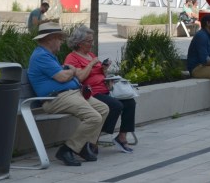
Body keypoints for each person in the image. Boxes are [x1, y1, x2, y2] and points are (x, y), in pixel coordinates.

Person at [27, 23, 109, 166]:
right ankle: (67, 149)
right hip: (55, 98)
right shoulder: (41, 56)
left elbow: (66, 74)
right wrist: (71, 71)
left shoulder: (49, 55)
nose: (61, 42)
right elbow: (63, 77)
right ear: (49, 39)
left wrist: (69, 71)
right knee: (94, 117)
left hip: (70, 94)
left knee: (103, 109)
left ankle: (82, 146)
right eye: (59, 38)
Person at [64, 26, 136, 154]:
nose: (92, 44)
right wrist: (91, 64)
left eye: (92, 40)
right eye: (89, 41)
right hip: (90, 93)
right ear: (79, 43)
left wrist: (104, 70)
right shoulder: (72, 58)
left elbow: (99, 75)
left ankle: (121, 137)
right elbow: (80, 77)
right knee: (116, 105)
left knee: (130, 103)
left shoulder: (90, 55)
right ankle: (94, 139)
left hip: (104, 89)